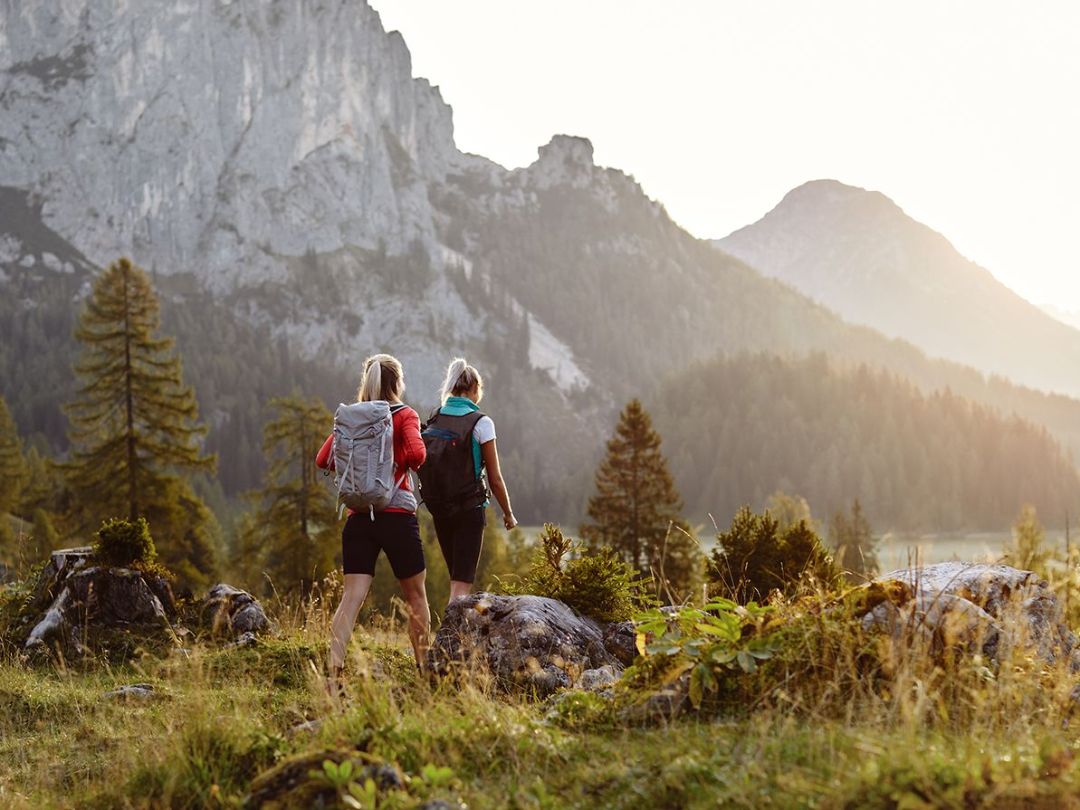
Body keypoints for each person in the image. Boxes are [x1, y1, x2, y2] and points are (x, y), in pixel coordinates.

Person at [316, 354, 429, 682]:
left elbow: (323, 459)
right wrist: (396, 460)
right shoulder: (405, 414)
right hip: (397, 517)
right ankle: (424, 671)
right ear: (398, 382)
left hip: (359, 518)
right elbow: (418, 455)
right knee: (415, 596)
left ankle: (333, 673)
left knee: (351, 598)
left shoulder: (352, 417)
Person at [424, 358, 517, 604]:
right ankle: (453, 630)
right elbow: (495, 478)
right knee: (461, 585)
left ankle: (453, 626)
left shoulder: (436, 417)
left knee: (455, 577)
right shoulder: (481, 422)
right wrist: (508, 513)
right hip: (468, 510)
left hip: (439, 509)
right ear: (474, 388)